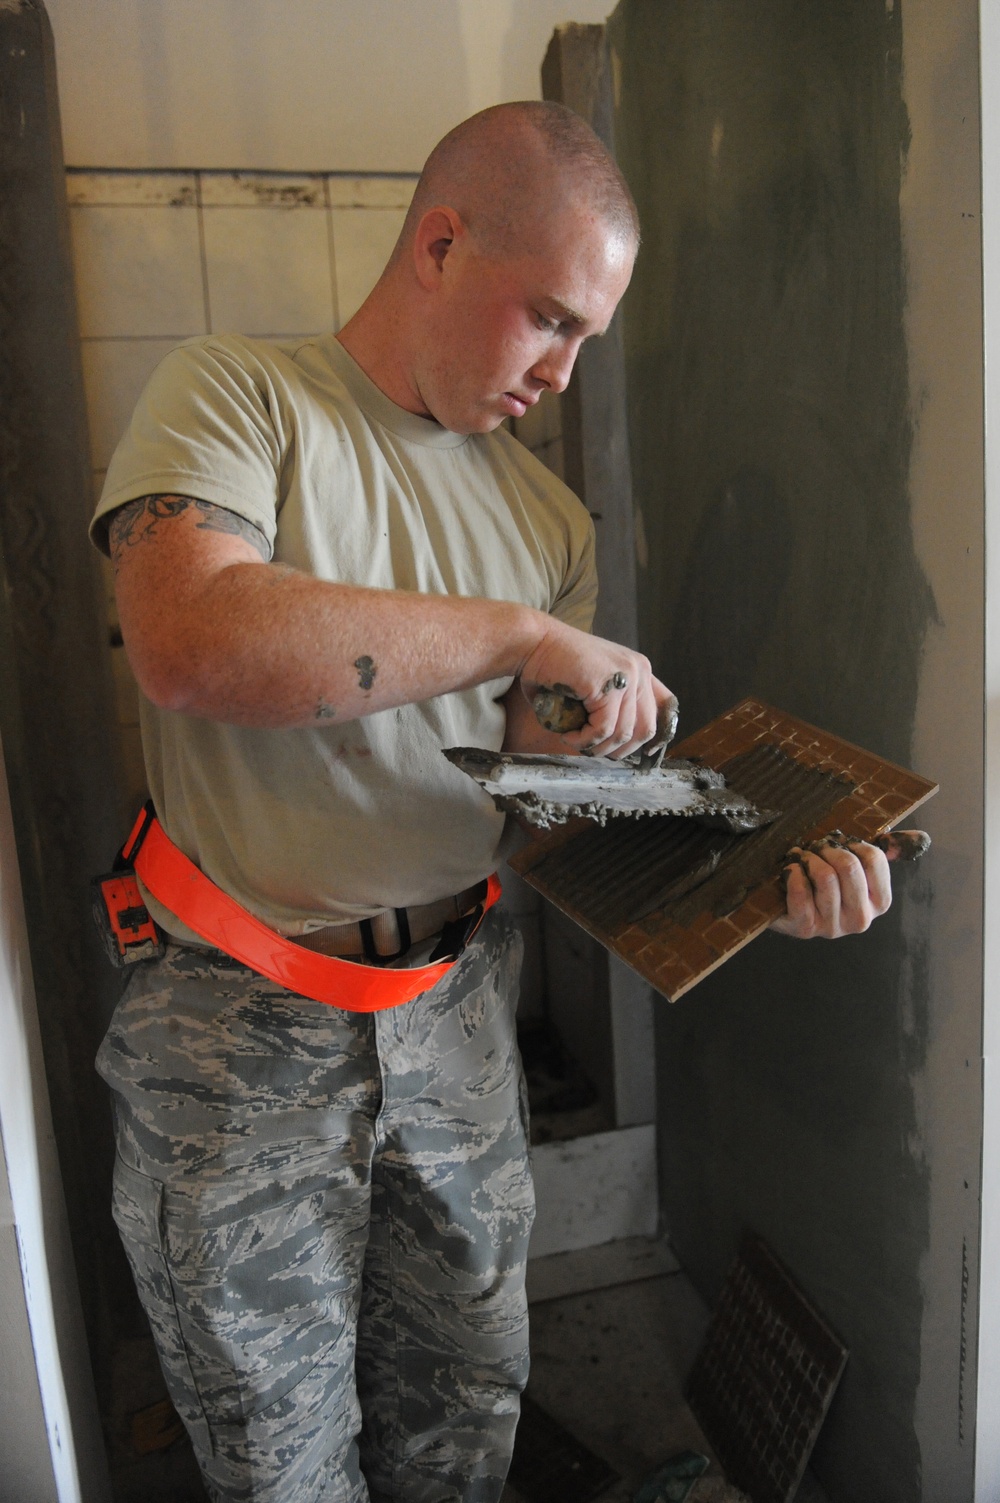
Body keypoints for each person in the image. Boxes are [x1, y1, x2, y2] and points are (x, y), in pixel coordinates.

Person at [89, 102, 892, 1503]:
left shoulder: (548, 522)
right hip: (238, 1030)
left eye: (588, 338)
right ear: (441, 245)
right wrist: (519, 636)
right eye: (550, 321)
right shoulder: (239, 397)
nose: (567, 374)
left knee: (463, 1421)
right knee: (281, 1464)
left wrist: (750, 883)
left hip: (455, 1022)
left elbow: (538, 824)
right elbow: (190, 643)